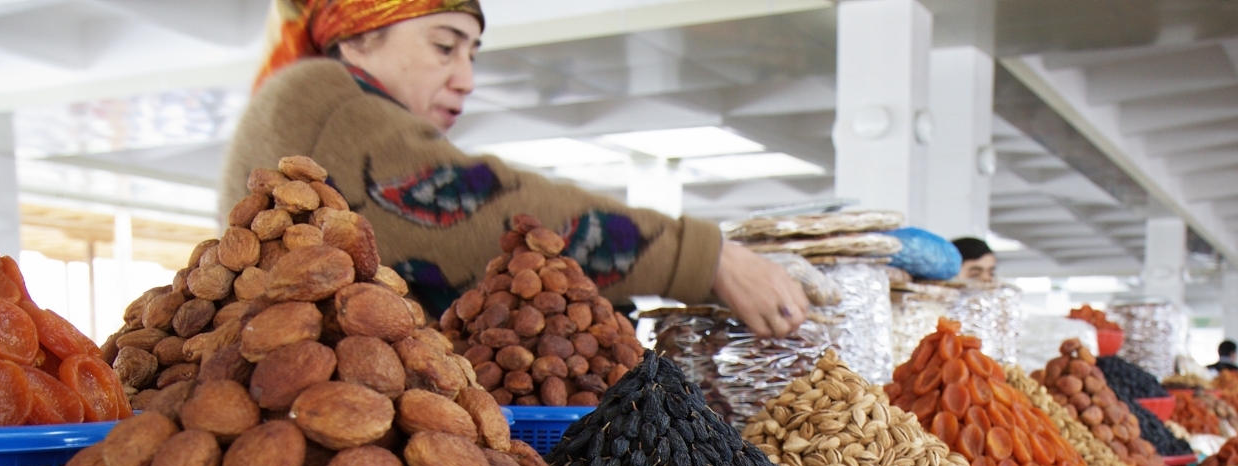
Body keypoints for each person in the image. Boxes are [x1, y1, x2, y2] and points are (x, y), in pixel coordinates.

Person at [221, 0, 808, 336]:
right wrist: (704, 257)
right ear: (358, 41)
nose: (467, 79)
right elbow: (478, 210)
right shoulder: (325, 91)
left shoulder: (306, 98)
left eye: (473, 54)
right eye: (444, 46)